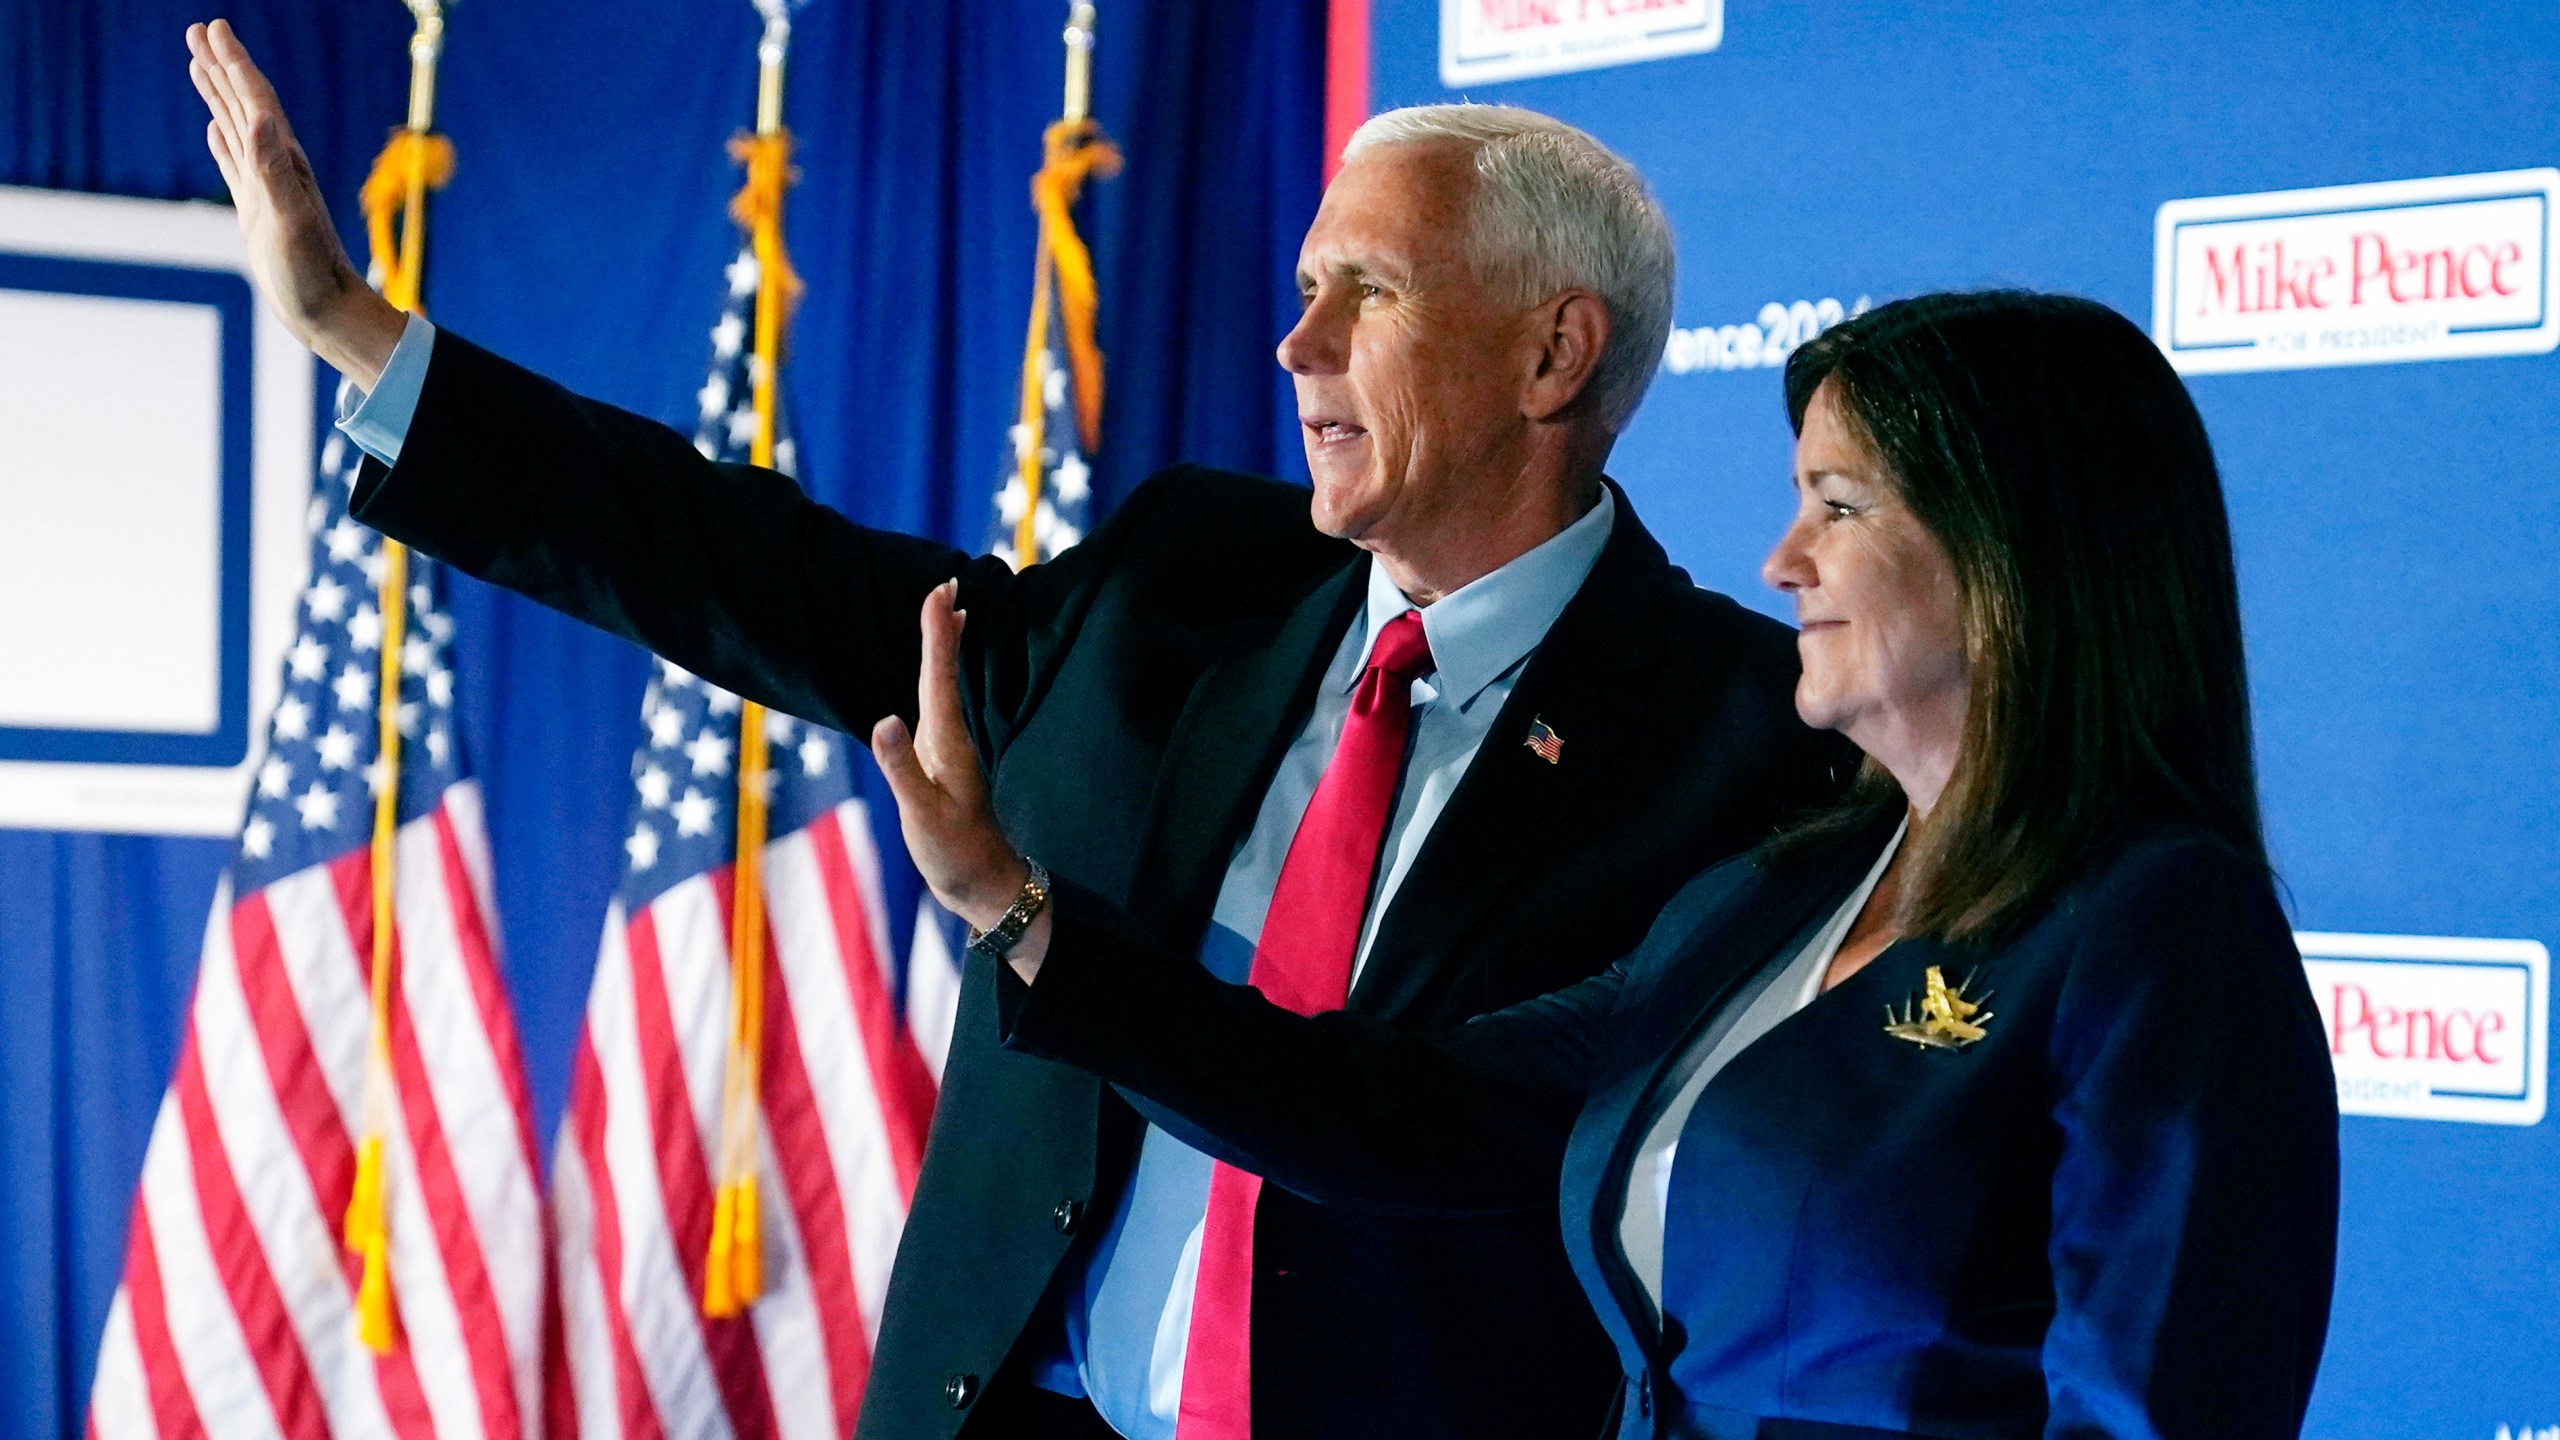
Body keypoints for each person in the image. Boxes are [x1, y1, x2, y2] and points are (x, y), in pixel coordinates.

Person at [185, 20, 1853, 1439]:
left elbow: (1449, 1131)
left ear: (1555, 353)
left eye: (1372, 294)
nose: (1299, 345)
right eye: (1301, 285)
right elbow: (771, 577)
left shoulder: (1729, 744)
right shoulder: (1182, 585)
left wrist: (1024, 915)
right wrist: (353, 327)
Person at [877, 291, 2343, 1439]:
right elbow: (1399, 1109)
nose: (1782, 560)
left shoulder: (2158, 925)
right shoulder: (1777, 889)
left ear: (2014, 551)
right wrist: (1018, 910)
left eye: (1839, 505)